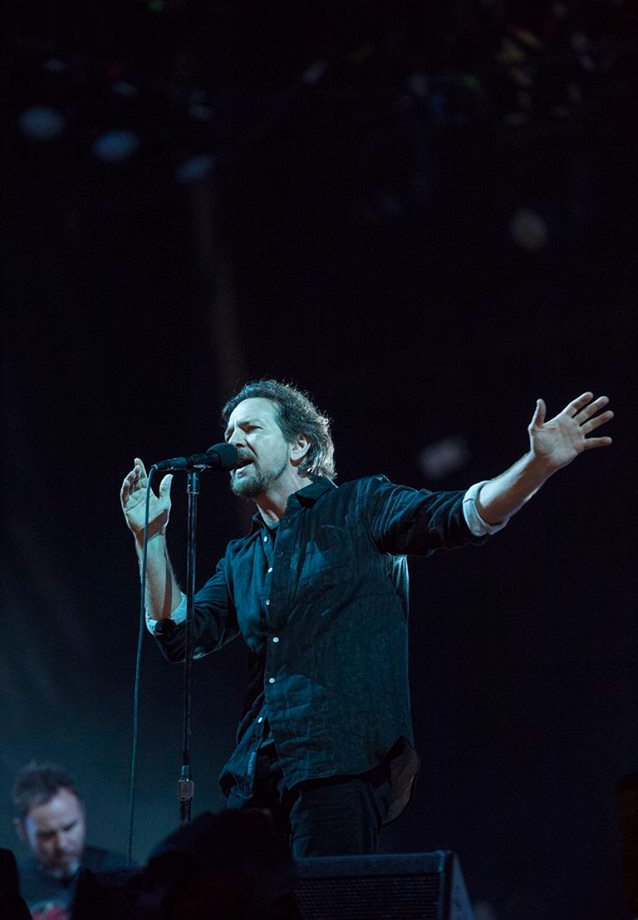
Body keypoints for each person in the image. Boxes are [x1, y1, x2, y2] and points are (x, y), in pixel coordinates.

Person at [120, 380, 613, 858]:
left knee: (324, 900)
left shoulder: (361, 504)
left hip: (339, 766)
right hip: (253, 779)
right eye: (229, 432)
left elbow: (461, 514)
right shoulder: (241, 557)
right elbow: (178, 634)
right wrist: (151, 538)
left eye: (250, 429)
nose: (233, 441)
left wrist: (536, 465)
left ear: (299, 446)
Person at [12, 762, 129, 919]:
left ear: (82, 812)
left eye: (69, 827)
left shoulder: (121, 871)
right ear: (22, 830)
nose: (61, 844)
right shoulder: (11, 887)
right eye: (47, 835)